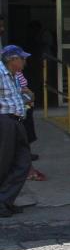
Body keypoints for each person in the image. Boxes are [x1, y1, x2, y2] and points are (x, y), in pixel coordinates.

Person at [0, 45, 33, 217]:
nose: (25, 62)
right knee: (5, 163)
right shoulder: (1, 73)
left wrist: (28, 96)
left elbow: (18, 96)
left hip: (17, 121)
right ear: (13, 59)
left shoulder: (13, 75)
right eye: (22, 58)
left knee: (22, 163)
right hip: (6, 121)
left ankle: (5, 200)